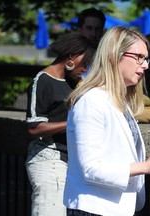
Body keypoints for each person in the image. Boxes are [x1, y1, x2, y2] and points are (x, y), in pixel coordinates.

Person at [63, 26, 150, 216]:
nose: (145, 65)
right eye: (139, 57)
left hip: (115, 207)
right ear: (114, 55)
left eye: (146, 58)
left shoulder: (119, 100)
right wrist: (145, 166)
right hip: (94, 208)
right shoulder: (91, 100)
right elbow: (91, 169)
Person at [25, 32, 96, 216]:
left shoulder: (73, 82)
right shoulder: (42, 80)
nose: (85, 68)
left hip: (71, 162)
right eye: (85, 63)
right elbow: (34, 127)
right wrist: (72, 123)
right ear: (71, 56)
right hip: (50, 160)